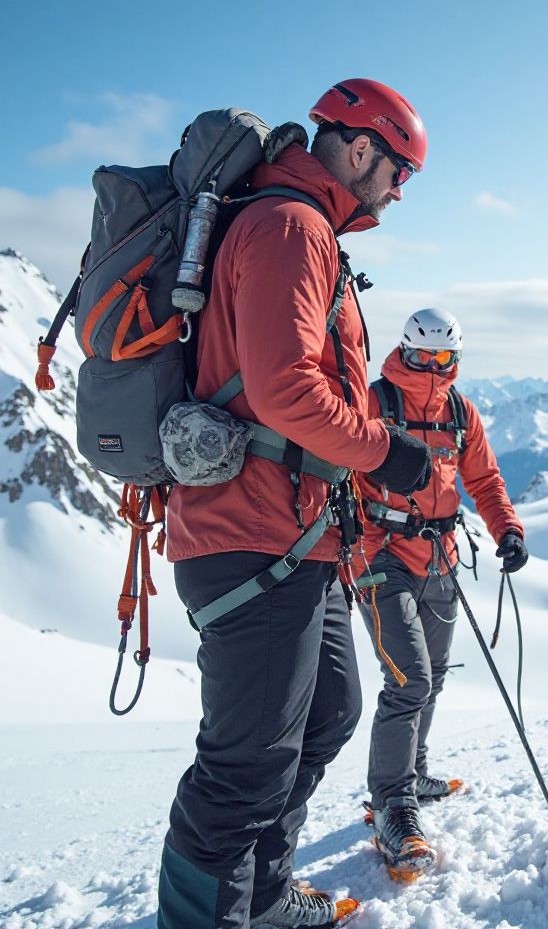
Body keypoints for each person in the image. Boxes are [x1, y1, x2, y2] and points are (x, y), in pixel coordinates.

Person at [158, 79, 435, 929]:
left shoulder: (301, 224)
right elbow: (285, 392)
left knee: (327, 715)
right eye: (400, 172)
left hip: (297, 534)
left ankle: (266, 898)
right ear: (362, 148)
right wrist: (386, 450)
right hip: (252, 534)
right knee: (244, 768)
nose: (400, 192)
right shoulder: (291, 226)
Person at [352, 307, 528, 880]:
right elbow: (342, 469)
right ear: (404, 350)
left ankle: (414, 770)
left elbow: (484, 479)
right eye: (422, 355)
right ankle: (392, 804)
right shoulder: (374, 401)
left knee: (434, 673)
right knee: (410, 679)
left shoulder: (459, 412)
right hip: (379, 555)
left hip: (440, 557)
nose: (432, 366)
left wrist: (507, 530)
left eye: (443, 357)